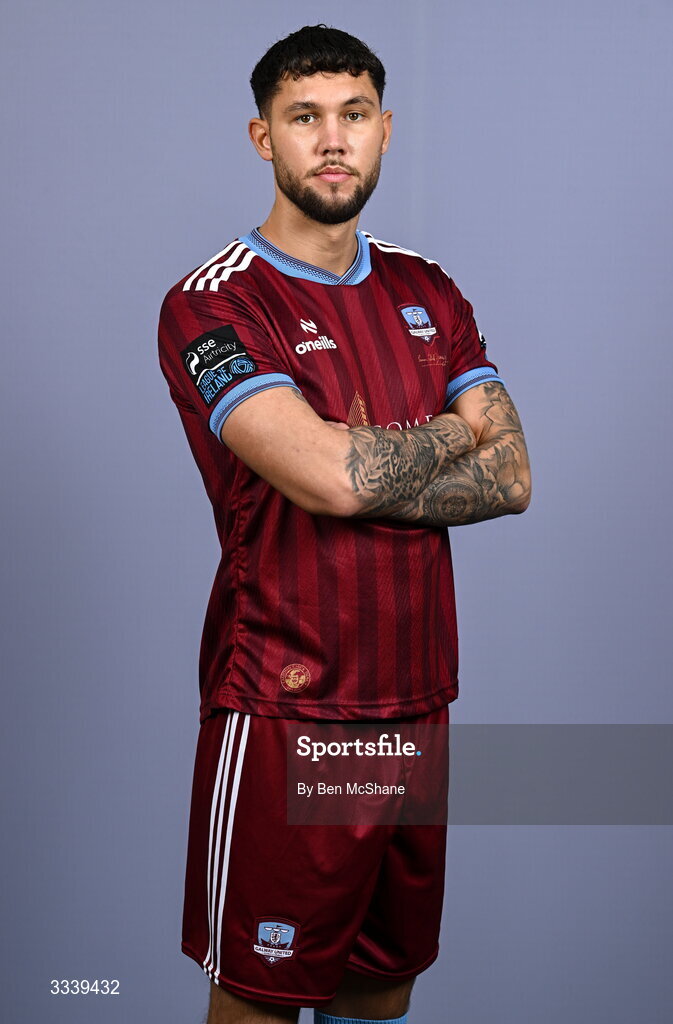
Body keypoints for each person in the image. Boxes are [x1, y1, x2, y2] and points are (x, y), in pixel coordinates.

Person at [157, 23, 531, 1024]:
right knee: (259, 1002)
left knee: (381, 994)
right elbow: (328, 479)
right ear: (260, 136)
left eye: (353, 116)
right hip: (290, 711)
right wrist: (445, 431)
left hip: (414, 705)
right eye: (304, 118)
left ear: (384, 129)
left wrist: (372, 463)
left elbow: (514, 473)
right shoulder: (214, 305)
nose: (332, 140)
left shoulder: (427, 288)